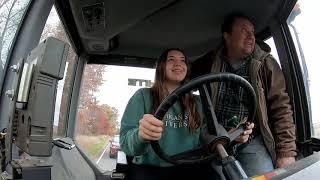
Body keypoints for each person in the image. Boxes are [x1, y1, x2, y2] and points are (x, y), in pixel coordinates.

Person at [120, 48, 254, 180]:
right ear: (161, 67)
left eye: (182, 60)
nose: (178, 63)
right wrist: (140, 135)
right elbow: (126, 143)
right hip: (152, 168)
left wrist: (232, 135)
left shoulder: (198, 102)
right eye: (171, 59)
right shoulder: (143, 96)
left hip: (191, 166)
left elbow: (208, 137)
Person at [191, 12, 297, 177]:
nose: (251, 36)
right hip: (217, 140)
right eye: (243, 30)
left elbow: (281, 108)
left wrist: (286, 153)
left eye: (252, 32)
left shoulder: (265, 64)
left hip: (252, 141)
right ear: (227, 36)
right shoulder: (210, 61)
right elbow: (183, 79)